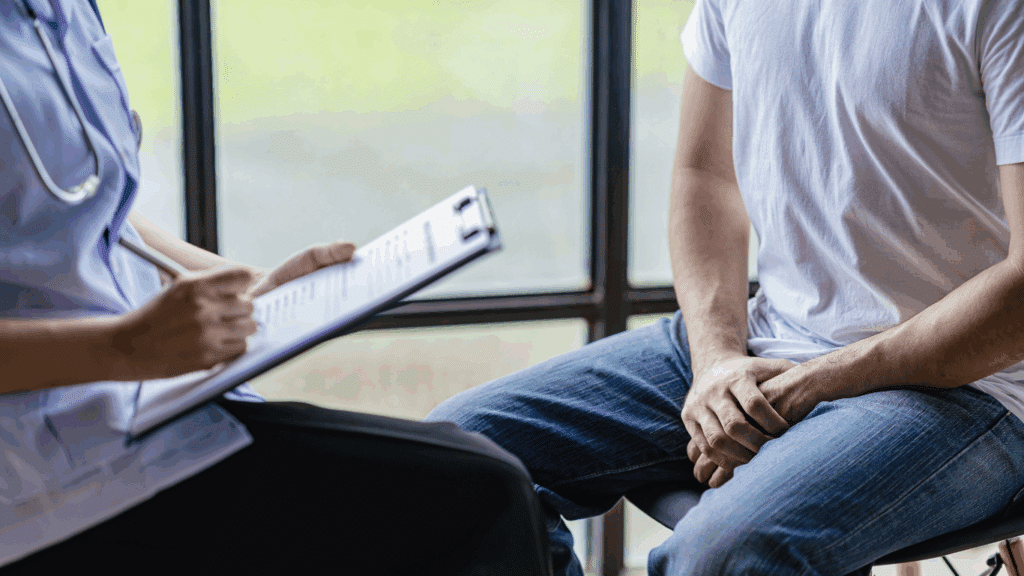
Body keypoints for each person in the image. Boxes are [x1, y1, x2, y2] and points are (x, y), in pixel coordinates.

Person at [426, 0, 1024, 574]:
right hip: (766, 338)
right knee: (454, 464)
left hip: (966, 386)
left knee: (722, 556)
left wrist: (810, 386)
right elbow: (704, 176)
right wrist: (716, 362)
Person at [0, 1, 547, 573]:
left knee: (488, 492)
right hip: (42, 477)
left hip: (142, 413)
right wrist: (124, 346)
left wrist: (244, 283)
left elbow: (86, 206)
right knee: (484, 495)